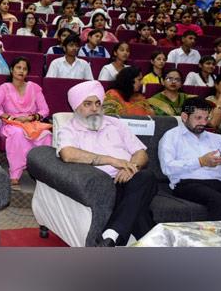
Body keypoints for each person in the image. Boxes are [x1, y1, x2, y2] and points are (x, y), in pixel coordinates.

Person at [55, 81, 158, 246]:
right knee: (140, 209)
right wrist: (112, 160)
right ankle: (158, 244)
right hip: (104, 185)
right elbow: (67, 154)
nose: (95, 109)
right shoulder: (69, 130)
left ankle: (111, 235)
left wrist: (132, 168)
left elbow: (141, 153)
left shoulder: (116, 124)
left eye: (98, 103)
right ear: (76, 107)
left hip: (132, 179)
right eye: (87, 104)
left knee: (146, 177)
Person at [157, 97, 221, 220]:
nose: (203, 123)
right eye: (198, 118)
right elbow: (167, 167)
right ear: (185, 117)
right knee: (219, 201)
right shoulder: (171, 137)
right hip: (187, 184)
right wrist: (200, 162)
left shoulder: (216, 138)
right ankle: (214, 239)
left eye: (206, 118)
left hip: (218, 184)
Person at [0, 57, 52, 186]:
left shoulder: (34, 87)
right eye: (18, 67)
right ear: (12, 70)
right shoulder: (4, 88)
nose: (21, 71)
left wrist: (30, 118)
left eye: (24, 69)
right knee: (18, 133)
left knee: (47, 135)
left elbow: (45, 110)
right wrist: (12, 118)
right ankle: (15, 174)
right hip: (12, 124)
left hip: (31, 123)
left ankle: (41, 172)